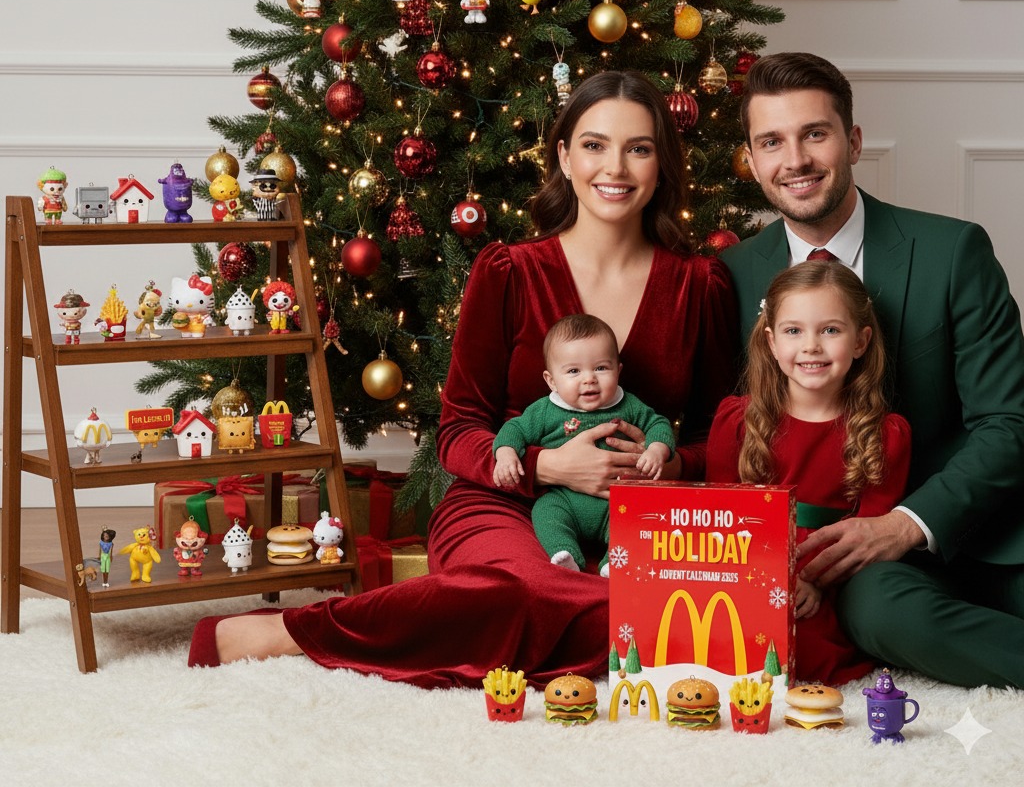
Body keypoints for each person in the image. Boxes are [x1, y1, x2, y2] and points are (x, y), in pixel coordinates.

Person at [189, 70, 738, 686]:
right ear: (564, 156)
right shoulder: (509, 271)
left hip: (644, 516)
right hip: (501, 502)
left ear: (661, 164)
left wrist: (667, 464)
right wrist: (548, 467)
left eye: (638, 148)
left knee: (669, 612)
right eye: (594, 145)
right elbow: (458, 431)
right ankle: (294, 633)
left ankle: (560, 611)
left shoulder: (700, 285)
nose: (615, 167)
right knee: (521, 591)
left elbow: (718, 439)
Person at [722, 51, 1024, 688]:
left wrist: (906, 524)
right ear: (751, 159)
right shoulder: (732, 273)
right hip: (861, 574)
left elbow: (1008, 422)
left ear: (853, 141)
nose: (795, 160)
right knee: (883, 611)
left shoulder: (952, 250)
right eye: (771, 142)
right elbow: (728, 434)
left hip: (976, 530)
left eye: (815, 133)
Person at [707, 261, 911, 685]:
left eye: (830, 330)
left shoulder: (885, 433)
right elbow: (718, 519)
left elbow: (868, 536)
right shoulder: (737, 421)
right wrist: (766, 578)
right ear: (771, 341)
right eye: (794, 331)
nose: (811, 346)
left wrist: (814, 582)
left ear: (861, 341)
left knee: (805, 643)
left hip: (830, 578)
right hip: (747, 568)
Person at [492, 313, 676, 575]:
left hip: (617, 500)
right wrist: (506, 453)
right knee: (545, 512)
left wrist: (657, 448)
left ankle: (614, 561)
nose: (589, 379)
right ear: (552, 380)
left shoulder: (628, 405)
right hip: (564, 498)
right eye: (573, 371)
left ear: (618, 370)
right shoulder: (545, 411)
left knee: (638, 516)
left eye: (601, 368)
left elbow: (658, 424)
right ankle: (565, 554)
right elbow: (515, 429)